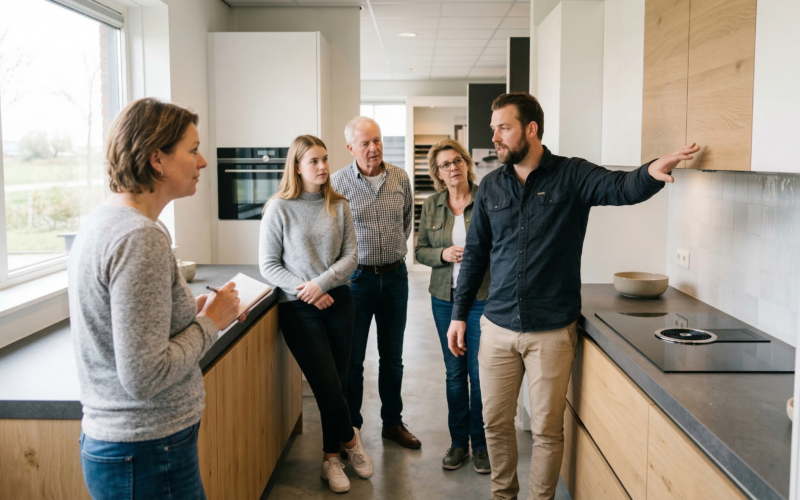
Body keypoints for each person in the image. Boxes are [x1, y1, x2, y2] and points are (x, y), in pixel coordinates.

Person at [446, 92, 699, 500]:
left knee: (547, 429)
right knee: (494, 423)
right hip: (497, 328)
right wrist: (459, 315)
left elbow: (621, 187)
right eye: (494, 129)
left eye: (503, 128)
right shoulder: (492, 186)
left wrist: (653, 170)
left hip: (551, 331)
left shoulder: (571, 175)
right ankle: (502, 495)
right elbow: (475, 256)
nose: (495, 137)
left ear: (531, 129)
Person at [69, 97, 245, 500]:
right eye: (193, 150)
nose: (202, 163)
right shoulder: (140, 237)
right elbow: (145, 376)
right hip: (148, 451)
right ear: (157, 159)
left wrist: (189, 314)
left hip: (130, 450)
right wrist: (210, 322)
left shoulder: (106, 221)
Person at [260, 134, 373, 494]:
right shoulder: (278, 208)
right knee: (326, 384)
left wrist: (321, 285)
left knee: (337, 384)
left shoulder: (339, 204)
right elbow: (269, 265)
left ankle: (330, 459)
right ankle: (351, 441)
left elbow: (352, 257)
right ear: (297, 167)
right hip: (298, 308)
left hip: (339, 301)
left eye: (325, 159)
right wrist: (306, 290)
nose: (323, 167)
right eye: (314, 161)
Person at [331, 116, 421, 450]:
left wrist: (393, 254)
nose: (374, 149)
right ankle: (351, 429)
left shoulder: (399, 177)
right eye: (366, 143)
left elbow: (406, 221)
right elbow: (334, 235)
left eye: (378, 140)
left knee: (392, 358)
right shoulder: (338, 183)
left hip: (396, 278)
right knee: (353, 361)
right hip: (357, 282)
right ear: (351, 148)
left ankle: (392, 423)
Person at [415, 139, 492, 473]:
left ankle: (482, 446)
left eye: (457, 160)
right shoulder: (431, 205)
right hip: (444, 299)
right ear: (438, 173)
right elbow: (418, 251)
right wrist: (443, 254)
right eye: (445, 164)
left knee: (480, 373)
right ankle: (458, 444)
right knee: (454, 373)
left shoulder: (487, 198)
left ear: (466, 164)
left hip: (481, 299)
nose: (453, 167)